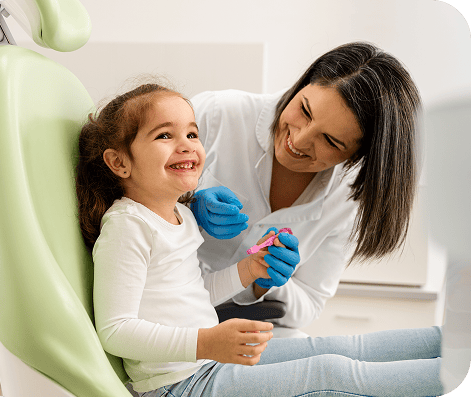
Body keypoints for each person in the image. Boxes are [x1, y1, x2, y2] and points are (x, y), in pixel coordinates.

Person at [75, 82, 443, 396]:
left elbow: (195, 294)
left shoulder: (178, 217)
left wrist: (250, 271)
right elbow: (116, 331)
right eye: (165, 135)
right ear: (119, 162)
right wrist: (206, 341)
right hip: (179, 384)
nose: (187, 145)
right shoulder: (127, 227)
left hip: (205, 360)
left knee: (338, 348)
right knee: (331, 372)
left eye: (192, 134)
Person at [190, 41, 422, 335]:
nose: (299, 141)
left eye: (331, 141)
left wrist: (266, 279)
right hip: (163, 302)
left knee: (335, 363)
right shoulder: (217, 114)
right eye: (305, 110)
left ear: (356, 156)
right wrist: (183, 206)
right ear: (304, 83)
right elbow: (119, 194)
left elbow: (309, 303)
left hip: (242, 321)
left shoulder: (345, 198)